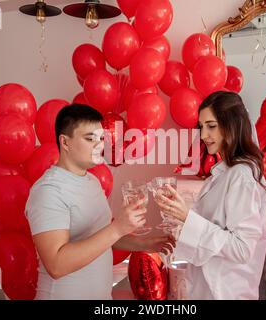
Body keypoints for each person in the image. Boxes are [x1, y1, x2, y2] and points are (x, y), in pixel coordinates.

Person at [25, 104, 175, 300]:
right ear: (65, 142)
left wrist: (143, 244)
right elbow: (56, 264)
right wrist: (118, 228)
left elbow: (99, 237)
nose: (99, 145)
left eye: (101, 138)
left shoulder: (92, 181)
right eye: (89, 139)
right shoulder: (49, 190)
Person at [155, 91, 266, 300]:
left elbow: (242, 248)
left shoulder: (240, 176)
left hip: (226, 293)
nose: (203, 135)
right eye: (201, 127)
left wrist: (187, 217)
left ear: (231, 125)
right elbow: (214, 228)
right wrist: (183, 219)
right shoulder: (224, 173)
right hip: (211, 289)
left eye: (211, 126)